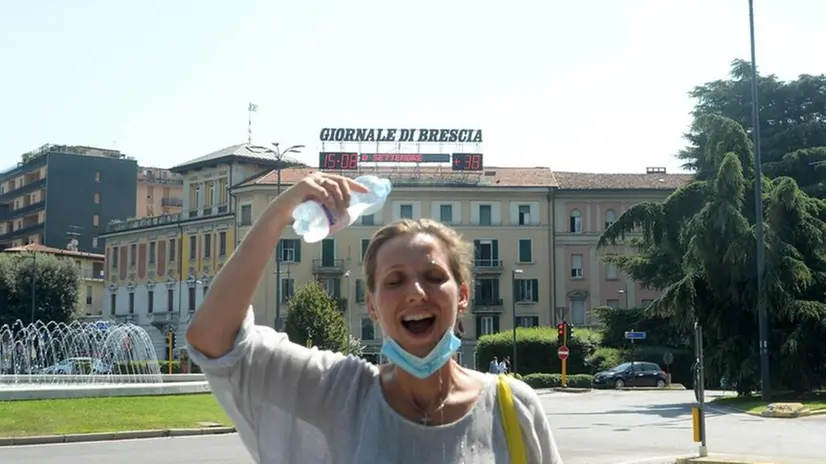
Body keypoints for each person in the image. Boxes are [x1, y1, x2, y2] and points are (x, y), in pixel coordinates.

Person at [186, 172, 563, 463]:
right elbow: (212, 339)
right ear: (372, 305)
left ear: (462, 295)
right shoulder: (341, 391)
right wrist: (281, 209)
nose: (416, 292)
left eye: (433, 277)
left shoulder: (514, 407)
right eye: (395, 280)